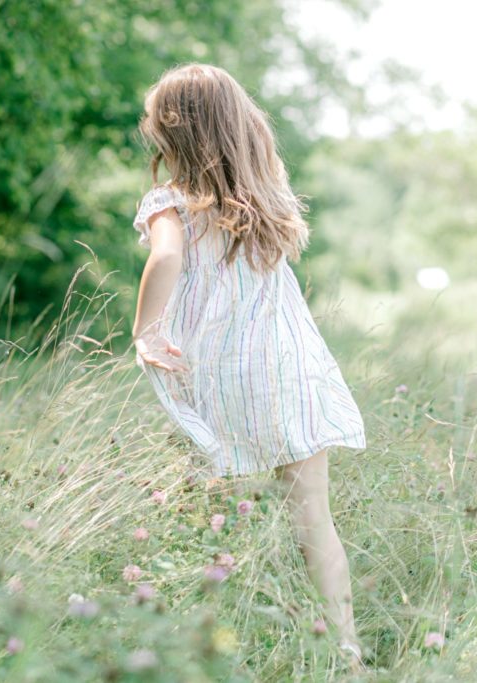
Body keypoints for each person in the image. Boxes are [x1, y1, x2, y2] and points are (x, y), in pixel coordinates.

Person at [129, 63, 368, 670]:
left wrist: (145, 329)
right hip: (288, 369)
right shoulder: (267, 197)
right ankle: (345, 648)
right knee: (314, 514)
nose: (145, 125)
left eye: (152, 116)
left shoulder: (170, 203)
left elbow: (166, 260)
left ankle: (224, 636)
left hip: (223, 373)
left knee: (218, 503)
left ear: (175, 129)